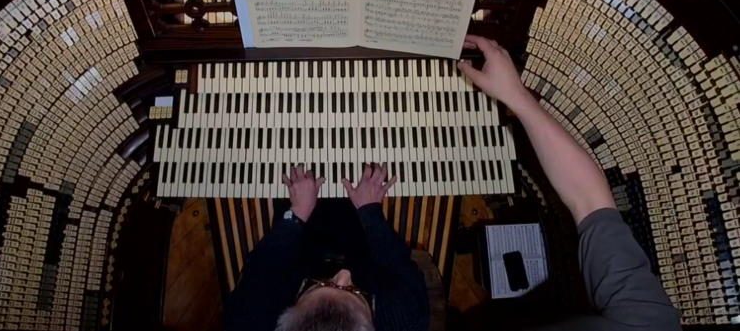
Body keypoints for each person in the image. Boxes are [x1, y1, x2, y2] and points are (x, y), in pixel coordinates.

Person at [223, 35, 681, 331]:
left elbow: (264, 272)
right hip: (379, 271)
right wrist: (369, 214)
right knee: (370, 250)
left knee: (298, 245)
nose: (342, 275)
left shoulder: (248, 319)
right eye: (352, 290)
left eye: (320, 286)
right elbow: (592, 204)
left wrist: (293, 217)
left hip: (298, 257)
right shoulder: (406, 315)